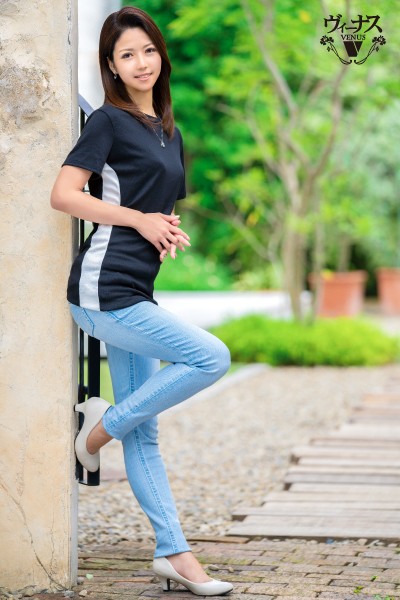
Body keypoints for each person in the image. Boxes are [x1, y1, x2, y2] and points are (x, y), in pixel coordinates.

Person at [50, 6, 233, 597]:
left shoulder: (169, 131)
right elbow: (64, 194)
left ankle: (172, 553)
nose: (141, 62)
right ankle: (97, 432)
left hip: (136, 289)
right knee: (211, 357)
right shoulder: (107, 121)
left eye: (148, 50)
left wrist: (165, 227)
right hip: (102, 293)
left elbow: (153, 202)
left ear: (161, 55)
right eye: (126, 54)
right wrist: (139, 219)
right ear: (111, 66)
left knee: (146, 433)